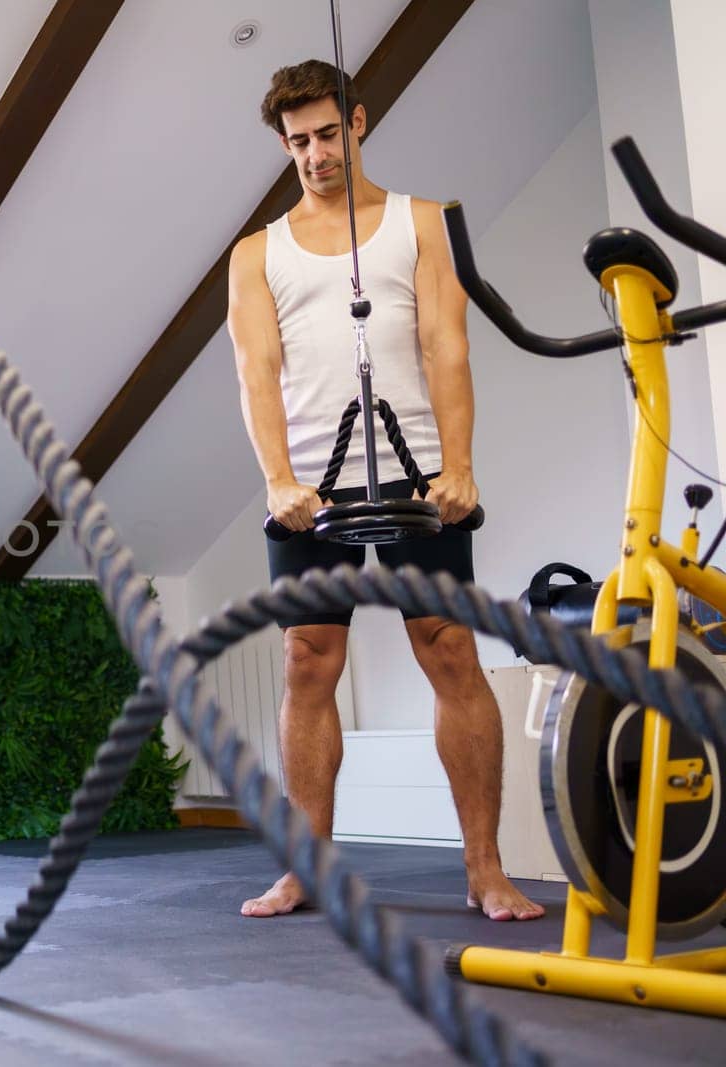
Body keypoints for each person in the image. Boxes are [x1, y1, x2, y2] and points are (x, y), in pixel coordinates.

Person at [225, 61, 543, 922]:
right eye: (298, 142)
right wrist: (277, 479)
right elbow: (257, 374)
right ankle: (305, 869)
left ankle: (484, 868)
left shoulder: (421, 223)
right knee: (305, 662)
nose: (316, 154)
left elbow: (447, 346)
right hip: (310, 489)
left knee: (450, 652)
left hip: (418, 474)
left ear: (357, 123)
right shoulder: (257, 253)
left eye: (328, 134)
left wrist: (462, 464)